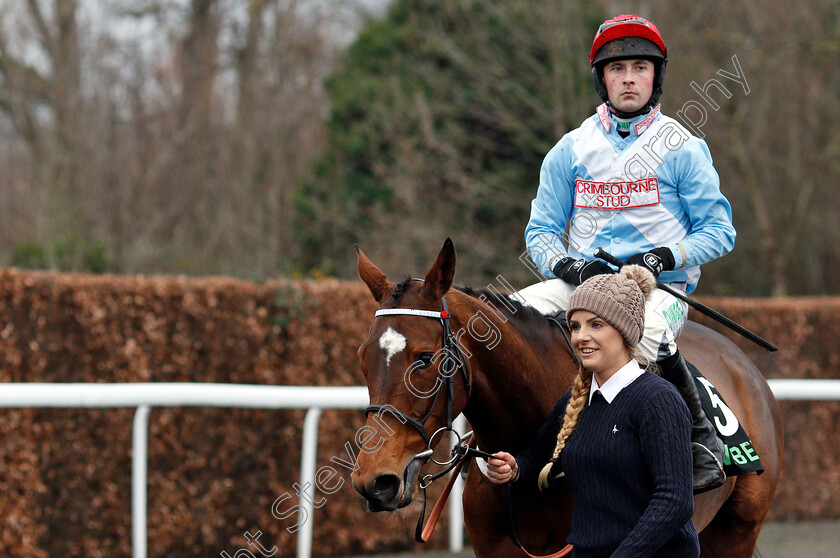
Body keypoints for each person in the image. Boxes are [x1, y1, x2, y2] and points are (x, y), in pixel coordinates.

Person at [518, 14, 734, 492]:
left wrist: (665, 257)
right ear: (603, 79)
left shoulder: (683, 147)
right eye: (618, 69)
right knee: (510, 319)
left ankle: (700, 441)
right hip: (585, 285)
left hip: (663, 287)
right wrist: (567, 264)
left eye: (640, 67)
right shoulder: (569, 150)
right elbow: (541, 233)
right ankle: (507, 446)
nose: (629, 78)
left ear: (655, 76)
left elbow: (720, 231)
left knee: (646, 336)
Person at [488, 266, 700, 558]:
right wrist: (513, 469)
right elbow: (537, 457)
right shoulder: (571, 403)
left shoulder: (659, 400)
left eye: (596, 325)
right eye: (575, 326)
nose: (581, 337)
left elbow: (675, 501)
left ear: (624, 330)